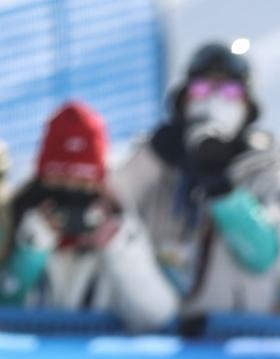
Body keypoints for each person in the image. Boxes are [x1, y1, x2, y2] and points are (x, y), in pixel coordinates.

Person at [111, 41, 280, 316]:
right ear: (183, 98)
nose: (214, 100)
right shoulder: (158, 158)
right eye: (202, 89)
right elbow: (109, 202)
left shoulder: (268, 168)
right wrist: (153, 156)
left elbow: (265, 255)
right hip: (155, 330)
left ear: (248, 104)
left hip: (232, 331)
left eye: (229, 91)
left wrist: (225, 194)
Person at [0, 102, 177, 331]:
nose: (71, 190)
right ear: (42, 180)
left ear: (101, 185)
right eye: (60, 178)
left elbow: (157, 315)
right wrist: (29, 255)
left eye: (83, 182)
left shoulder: (123, 229)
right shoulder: (12, 223)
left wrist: (118, 247)